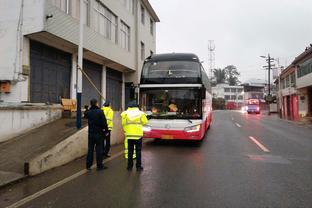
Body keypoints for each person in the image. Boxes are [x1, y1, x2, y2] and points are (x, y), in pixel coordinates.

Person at [121, 101, 148, 171]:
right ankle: (138, 167)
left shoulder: (125, 113)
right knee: (138, 151)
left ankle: (129, 167)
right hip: (138, 135)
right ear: (136, 106)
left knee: (130, 151)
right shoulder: (141, 113)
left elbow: (123, 123)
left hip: (129, 135)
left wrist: (126, 130)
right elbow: (145, 122)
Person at [85, 98, 108, 171]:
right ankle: (99, 165)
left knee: (90, 149)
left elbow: (85, 115)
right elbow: (104, 123)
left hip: (91, 134)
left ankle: (88, 165)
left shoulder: (89, 112)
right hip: (99, 133)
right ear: (96, 103)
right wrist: (106, 131)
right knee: (99, 150)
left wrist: (86, 108)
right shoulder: (100, 112)